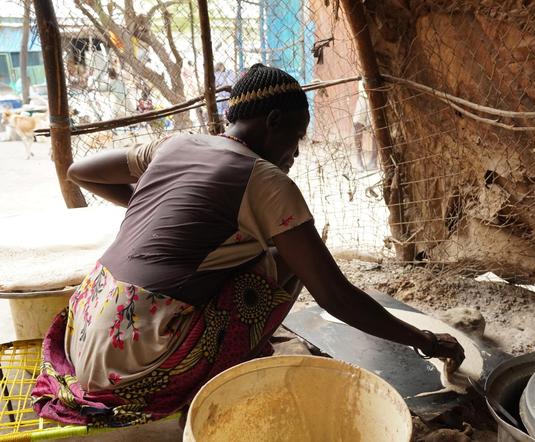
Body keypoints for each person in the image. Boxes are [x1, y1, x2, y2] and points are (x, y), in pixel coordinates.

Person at [32, 64, 464, 427]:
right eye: (296, 136)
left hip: (84, 326)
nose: (295, 152)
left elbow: (80, 170)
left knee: (250, 251)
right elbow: (334, 296)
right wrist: (423, 339)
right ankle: (226, 364)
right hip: (140, 360)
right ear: (273, 121)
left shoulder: (176, 143)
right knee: (286, 262)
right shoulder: (267, 180)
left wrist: (141, 203)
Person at [352, 80, 378, 171]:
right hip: (362, 95)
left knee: (375, 127)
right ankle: (358, 159)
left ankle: (374, 160)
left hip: (375, 94)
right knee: (357, 124)